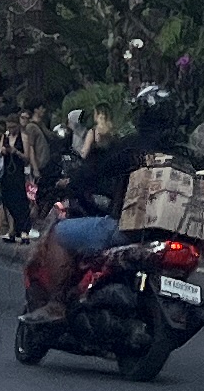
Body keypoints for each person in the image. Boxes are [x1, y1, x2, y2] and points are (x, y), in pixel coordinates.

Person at [22, 114, 142, 321]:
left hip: (128, 227)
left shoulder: (132, 148)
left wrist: (73, 182)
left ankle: (57, 302)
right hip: (168, 234)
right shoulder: (181, 151)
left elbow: (97, 171)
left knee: (59, 232)